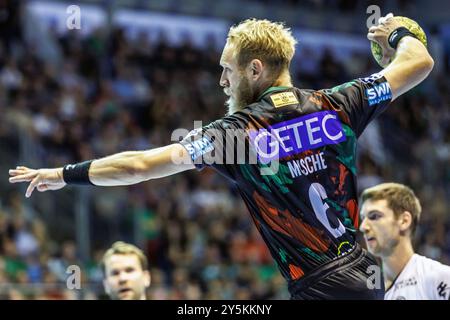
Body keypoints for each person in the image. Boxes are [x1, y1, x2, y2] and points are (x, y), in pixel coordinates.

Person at [9, 14, 434, 299]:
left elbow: (140, 166)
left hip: (321, 286)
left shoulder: (234, 136)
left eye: (227, 70)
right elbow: (418, 63)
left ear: (254, 70)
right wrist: (397, 33)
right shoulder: (339, 104)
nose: (221, 81)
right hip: (364, 272)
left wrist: (66, 173)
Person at [359, 183, 450, 300]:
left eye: (374, 216)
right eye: (363, 218)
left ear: (404, 221)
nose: (363, 226)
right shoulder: (365, 291)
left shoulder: (439, 278)